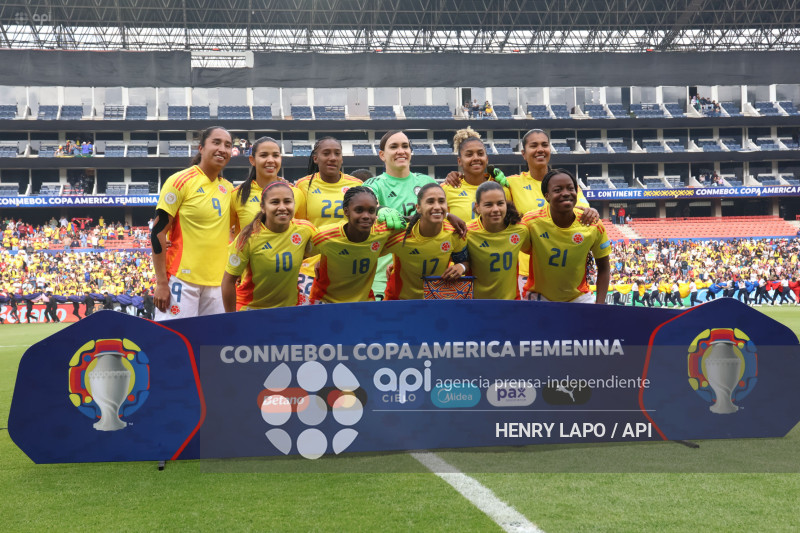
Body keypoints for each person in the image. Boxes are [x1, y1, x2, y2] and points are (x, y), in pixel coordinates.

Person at [363, 130, 466, 299]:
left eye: (405, 146)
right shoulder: (376, 184)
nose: (401, 151)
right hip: (384, 276)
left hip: (428, 277)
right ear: (382, 155)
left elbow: (438, 211)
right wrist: (379, 208)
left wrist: (448, 215)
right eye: (394, 147)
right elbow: (360, 201)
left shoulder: (427, 182)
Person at [151, 126, 233, 320]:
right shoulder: (180, 181)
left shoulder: (229, 189)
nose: (222, 149)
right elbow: (158, 233)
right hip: (181, 281)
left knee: (211, 347)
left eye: (228, 145)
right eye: (216, 142)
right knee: (173, 343)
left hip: (217, 284)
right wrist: (162, 282)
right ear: (201, 148)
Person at [230, 136, 306, 305]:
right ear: (252, 160)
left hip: (287, 286)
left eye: (275, 155)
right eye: (264, 155)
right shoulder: (237, 195)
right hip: (250, 288)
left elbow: (303, 234)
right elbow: (227, 234)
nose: (270, 160)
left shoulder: (297, 194)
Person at [222, 181, 316, 311]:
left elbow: (327, 250)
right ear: (263, 207)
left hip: (289, 311)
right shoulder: (248, 237)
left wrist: (319, 263)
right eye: (275, 202)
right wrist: (231, 319)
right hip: (251, 311)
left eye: (287, 201)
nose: (282, 207)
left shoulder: (305, 230)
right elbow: (228, 281)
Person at [521, 169, 610, 304]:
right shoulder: (531, 222)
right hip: (539, 297)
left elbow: (604, 267)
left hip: (579, 298)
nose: (566, 193)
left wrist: (600, 305)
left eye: (570, 188)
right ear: (547, 196)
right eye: (558, 190)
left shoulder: (593, 224)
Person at [295, 137, 362, 303]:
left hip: (348, 265)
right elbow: (299, 227)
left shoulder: (357, 185)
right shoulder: (303, 186)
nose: (332, 157)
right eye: (326, 153)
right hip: (312, 268)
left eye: (337, 153)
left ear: (342, 158)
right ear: (315, 158)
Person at [383, 183, 469, 300]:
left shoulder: (455, 232)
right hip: (399, 302)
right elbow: (371, 253)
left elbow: (465, 262)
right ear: (418, 207)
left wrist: (461, 267)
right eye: (430, 202)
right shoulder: (400, 234)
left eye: (441, 201)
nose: (437, 206)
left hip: (436, 301)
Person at [309, 186, 394, 304]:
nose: (366, 216)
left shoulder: (384, 231)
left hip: (364, 301)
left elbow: (414, 230)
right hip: (325, 301)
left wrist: (397, 262)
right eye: (359, 210)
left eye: (371, 211)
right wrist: (322, 260)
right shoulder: (324, 236)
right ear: (346, 211)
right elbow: (299, 252)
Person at [465, 181, 531, 300]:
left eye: (500, 203)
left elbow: (532, 251)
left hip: (511, 303)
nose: (495, 209)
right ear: (477, 207)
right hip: (475, 305)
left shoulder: (520, 230)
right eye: (488, 205)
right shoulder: (467, 233)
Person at [442, 127, 509, 222]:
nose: (476, 158)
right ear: (459, 161)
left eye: (480, 154)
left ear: (487, 159)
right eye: (469, 155)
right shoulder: (447, 188)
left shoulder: (501, 187)